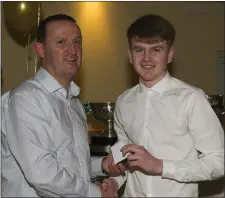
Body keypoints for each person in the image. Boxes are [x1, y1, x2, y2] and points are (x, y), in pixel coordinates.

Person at [1, 14, 126, 197]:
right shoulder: (26, 99)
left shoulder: (74, 102)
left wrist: (101, 164)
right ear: (40, 50)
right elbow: (42, 174)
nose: (72, 50)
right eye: (61, 42)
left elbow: (72, 165)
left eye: (77, 42)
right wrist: (96, 193)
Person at [102, 14, 224, 197]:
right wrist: (114, 181)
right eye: (139, 50)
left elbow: (219, 162)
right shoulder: (123, 101)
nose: (146, 58)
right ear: (129, 55)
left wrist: (161, 166)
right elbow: (127, 158)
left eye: (156, 49)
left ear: (170, 55)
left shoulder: (191, 98)